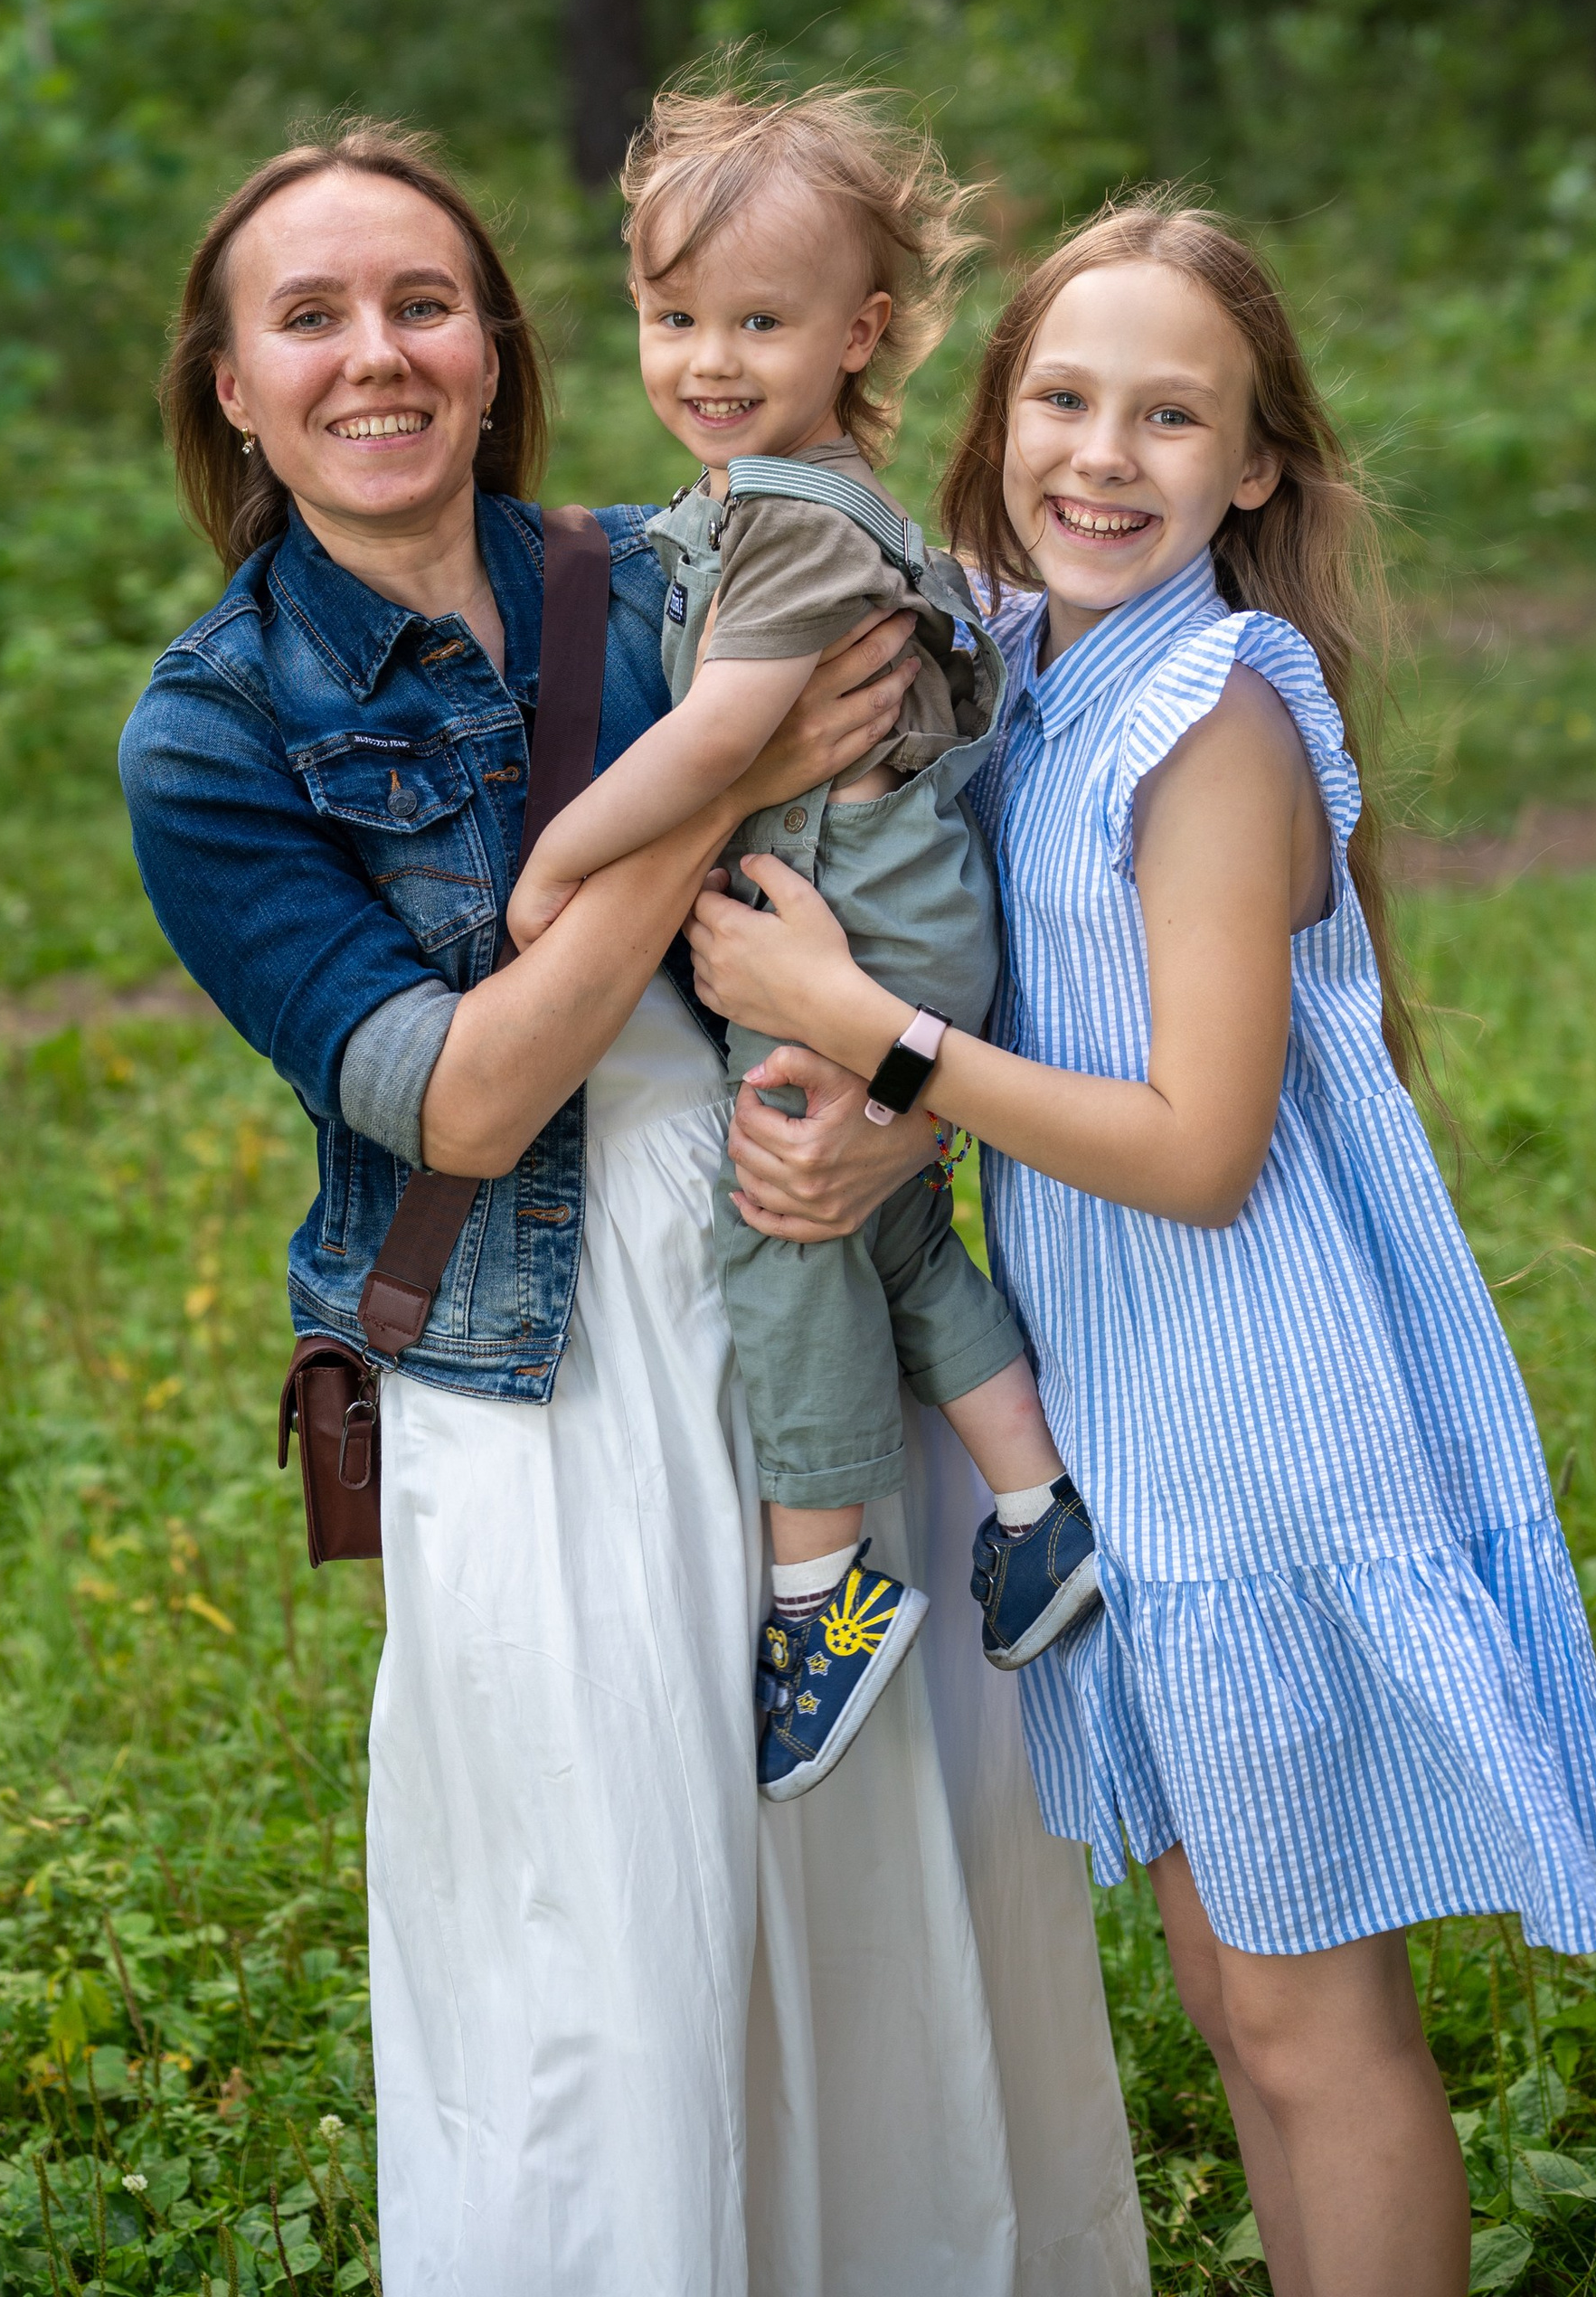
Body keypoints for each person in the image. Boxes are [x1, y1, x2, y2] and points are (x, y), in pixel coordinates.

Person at [117, 125, 1149, 2297]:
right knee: (606, 1953)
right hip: (540, 1363)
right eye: (307, 316)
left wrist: (886, 1104)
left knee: (880, 1926)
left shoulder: (672, 561)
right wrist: (715, 803)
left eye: (422, 302)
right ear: (229, 383)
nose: (374, 354)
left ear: (493, 350)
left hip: (804, 1252)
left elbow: (909, 857)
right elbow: (468, 1096)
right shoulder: (213, 732)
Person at [686, 192, 1596, 2297]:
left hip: (1249, 1416)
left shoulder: (1205, 708)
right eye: (1058, 397)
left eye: (1166, 416)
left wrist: (875, 1038)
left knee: (1310, 2026)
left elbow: (1197, 1147)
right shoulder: (1024, 669)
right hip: (1129, 1408)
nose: (1097, 457)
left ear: (1255, 463)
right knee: (1236, 2005)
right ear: (992, 415)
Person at [510, 78, 1101, 1803]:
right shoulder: (795, 495)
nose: (705, 358)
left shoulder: (781, 520)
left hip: (866, 942)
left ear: (861, 334)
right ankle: (1032, 1504)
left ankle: (820, 1589)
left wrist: (562, 859)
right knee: (894, 1226)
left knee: (781, 1218)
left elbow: (716, 744)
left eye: (757, 321)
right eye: (670, 315)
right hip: (904, 923)